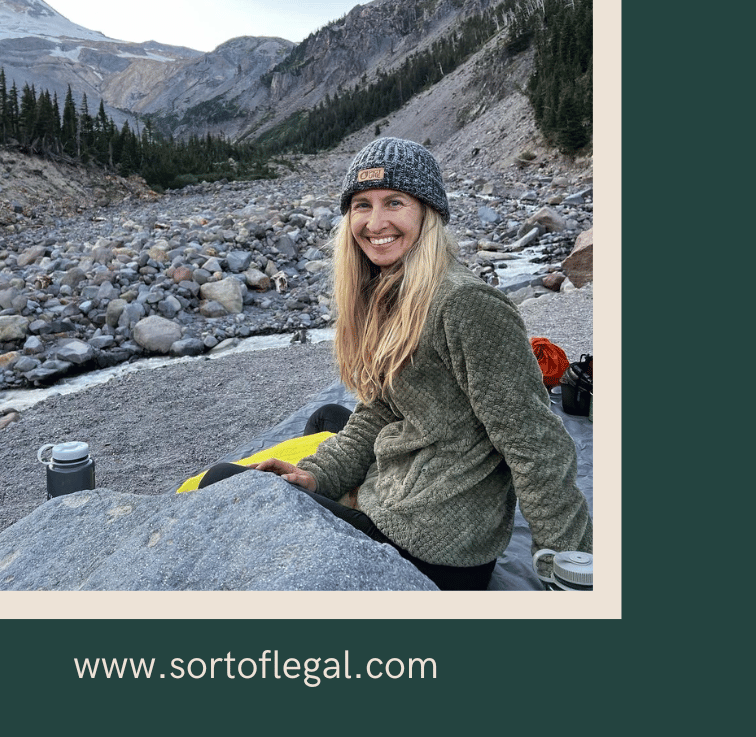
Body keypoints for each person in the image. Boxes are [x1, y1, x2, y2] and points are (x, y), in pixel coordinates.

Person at [199, 137, 592, 590]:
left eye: (395, 202)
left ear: (428, 212)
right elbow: (382, 411)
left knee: (222, 481)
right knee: (328, 418)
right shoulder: (390, 288)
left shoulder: (465, 305)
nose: (375, 222)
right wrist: (317, 477)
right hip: (412, 487)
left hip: (433, 547)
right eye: (362, 205)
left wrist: (568, 568)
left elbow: (535, 442)